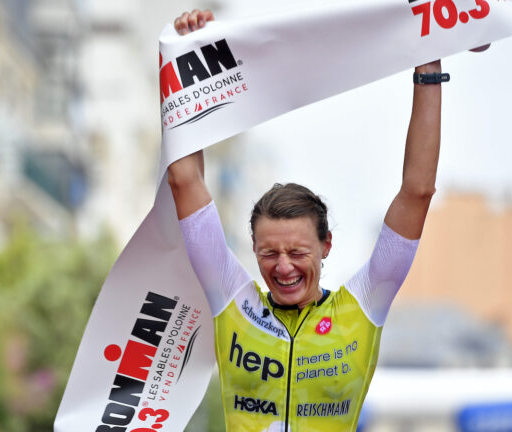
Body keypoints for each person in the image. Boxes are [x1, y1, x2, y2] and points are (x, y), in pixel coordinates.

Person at [168, 9, 443, 432]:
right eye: (268, 253)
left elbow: (417, 192)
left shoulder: (363, 305)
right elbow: (184, 180)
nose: (282, 266)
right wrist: (189, 62)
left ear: (326, 245)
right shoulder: (234, 302)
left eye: (297, 252)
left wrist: (429, 65)